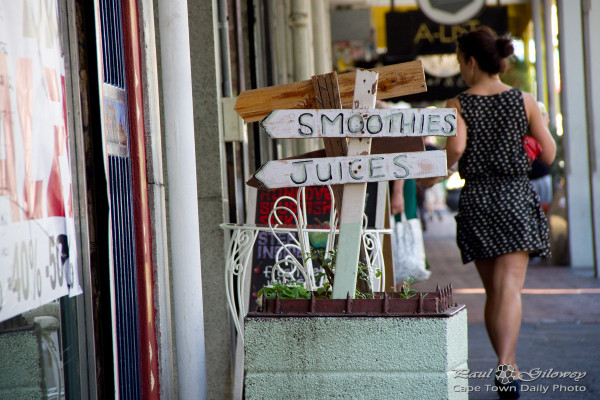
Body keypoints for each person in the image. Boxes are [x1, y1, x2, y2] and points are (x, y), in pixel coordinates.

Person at [420, 26, 556, 399]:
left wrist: (430, 181)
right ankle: (507, 366)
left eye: (461, 62)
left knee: (492, 291)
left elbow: (455, 151)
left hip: (479, 200)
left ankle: (504, 362)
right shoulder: (524, 100)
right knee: (510, 288)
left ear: (471, 61)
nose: (461, 69)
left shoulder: (459, 104)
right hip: (514, 196)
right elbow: (548, 154)